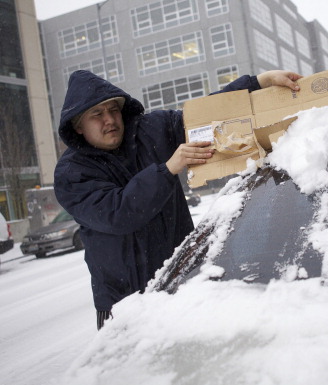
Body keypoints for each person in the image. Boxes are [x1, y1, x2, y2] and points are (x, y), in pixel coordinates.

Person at [54, 69, 302, 330]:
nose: (110, 119)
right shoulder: (71, 174)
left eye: (113, 109)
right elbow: (119, 213)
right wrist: (167, 169)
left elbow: (206, 115)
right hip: (122, 305)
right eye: (97, 114)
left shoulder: (151, 131)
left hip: (183, 283)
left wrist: (258, 82)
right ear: (78, 125)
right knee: (133, 370)